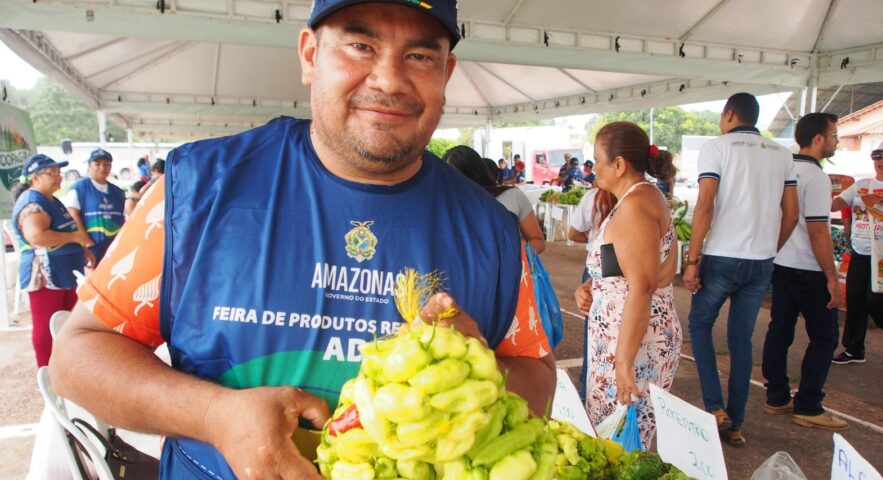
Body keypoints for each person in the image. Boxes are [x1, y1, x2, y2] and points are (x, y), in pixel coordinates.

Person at [50, 2, 556, 478]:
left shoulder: (489, 228)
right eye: (361, 47)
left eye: (420, 56)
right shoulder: (199, 187)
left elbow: (538, 374)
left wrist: (477, 376)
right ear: (311, 56)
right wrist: (214, 415)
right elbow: (80, 354)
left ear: (445, 75)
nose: (389, 80)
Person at [683, 92, 799, 448]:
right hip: (760, 261)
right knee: (740, 342)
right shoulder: (781, 154)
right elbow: (791, 214)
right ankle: (736, 425)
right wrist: (769, 249)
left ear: (729, 113)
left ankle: (716, 407)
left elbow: (705, 205)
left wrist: (692, 258)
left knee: (700, 325)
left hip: (720, 256)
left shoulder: (716, 148)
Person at [573, 121, 681, 449]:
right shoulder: (637, 198)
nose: (593, 170)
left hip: (634, 345)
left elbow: (642, 287)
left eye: (597, 161)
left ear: (618, 165)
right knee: (614, 437)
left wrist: (623, 362)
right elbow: (624, 265)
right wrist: (592, 285)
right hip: (626, 341)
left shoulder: (636, 205)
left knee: (621, 443)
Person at [761, 112, 848, 430]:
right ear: (819, 138)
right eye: (834, 135)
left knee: (780, 329)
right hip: (808, 267)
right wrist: (831, 275)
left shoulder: (785, 168)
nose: (836, 141)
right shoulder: (816, 176)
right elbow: (818, 231)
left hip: (781, 262)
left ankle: (777, 396)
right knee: (825, 336)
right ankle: (809, 405)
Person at [11, 154, 93, 367]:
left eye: (59, 173)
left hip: (65, 271)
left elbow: (64, 228)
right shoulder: (32, 202)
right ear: (34, 177)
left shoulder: (52, 200)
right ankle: (47, 370)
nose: (59, 177)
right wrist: (75, 238)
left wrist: (81, 249)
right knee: (47, 325)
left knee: (66, 323)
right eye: (52, 173)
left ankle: (65, 367)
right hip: (46, 274)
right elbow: (37, 236)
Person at [831, 140, 883, 368]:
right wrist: (820, 189)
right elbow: (837, 203)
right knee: (855, 300)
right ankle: (854, 349)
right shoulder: (861, 185)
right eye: (878, 156)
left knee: (876, 300)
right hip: (860, 250)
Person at [444, 145, 545, 253]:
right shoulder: (444, 205)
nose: (452, 183)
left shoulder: (511, 197)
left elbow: (538, 241)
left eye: (457, 177)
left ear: (475, 174)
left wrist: (515, 256)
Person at [569, 181, 616, 398]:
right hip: (601, 274)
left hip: (596, 270)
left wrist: (593, 240)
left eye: (598, 161)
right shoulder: (649, 197)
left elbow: (573, 233)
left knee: (594, 337)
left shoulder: (593, 197)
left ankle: (588, 392)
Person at [64, 148, 126, 263]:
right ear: (89, 166)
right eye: (97, 164)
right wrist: (86, 241)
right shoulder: (79, 188)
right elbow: (72, 216)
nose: (102, 168)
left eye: (106, 164)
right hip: (91, 249)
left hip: (114, 249)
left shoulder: (118, 192)